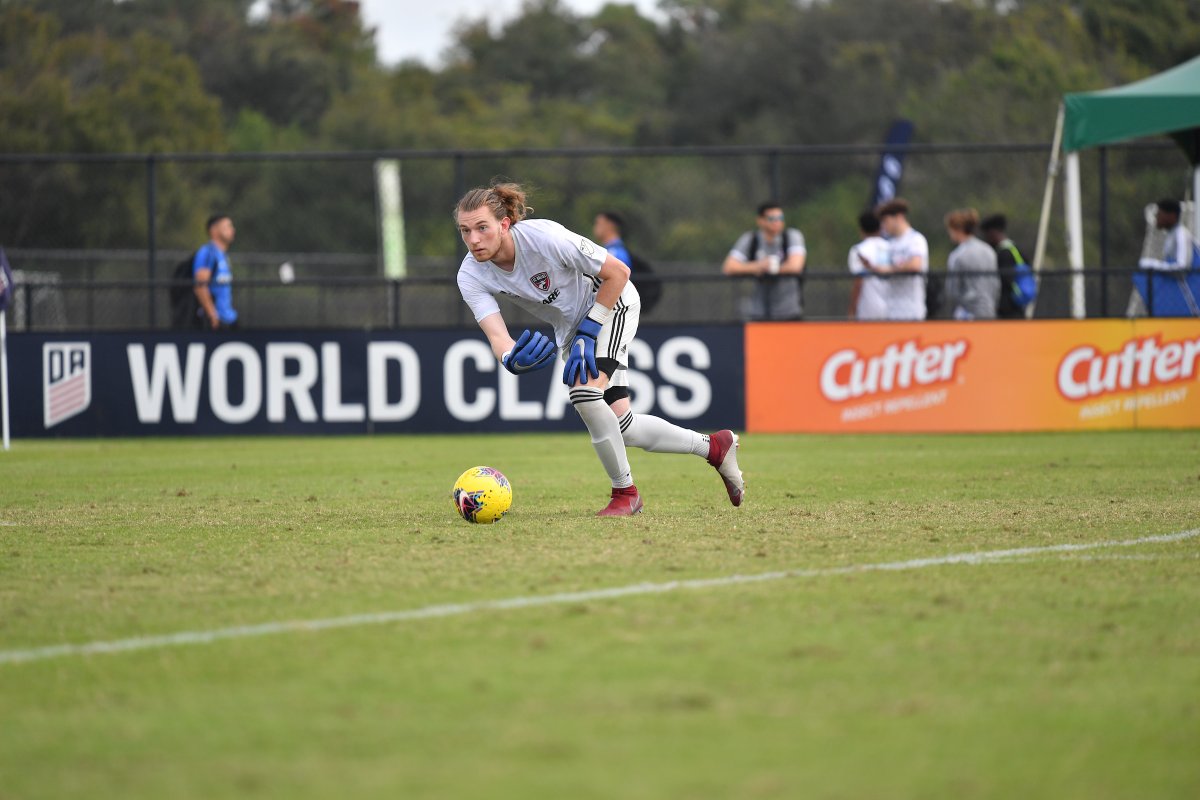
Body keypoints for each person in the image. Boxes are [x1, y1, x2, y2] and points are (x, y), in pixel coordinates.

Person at [455, 182, 744, 517]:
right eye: (465, 230)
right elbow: (497, 336)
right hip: (571, 329)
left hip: (612, 305)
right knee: (624, 426)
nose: (474, 239)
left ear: (504, 224)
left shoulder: (544, 238)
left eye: (482, 228)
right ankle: (714, 447)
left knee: (582, 392)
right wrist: (509, 358)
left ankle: (625, 494)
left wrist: (590, 330)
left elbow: (618, 273)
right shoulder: (469, 274)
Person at [722, 202, 807, 320]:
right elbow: (729, 267)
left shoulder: (792, 236)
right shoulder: (751, 239)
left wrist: (773, 268)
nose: (777, 222)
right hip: (759, 312)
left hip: (789, 312)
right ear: (760, 221)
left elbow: (796, 266)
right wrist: (758, 266)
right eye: (772, 218)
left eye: (780, 218)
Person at [857, 198, 928, 321]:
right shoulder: (889, 244)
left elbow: (915, 265)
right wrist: (873, 268)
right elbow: (884, 271)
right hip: (891, 310)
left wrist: (890, 269)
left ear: (899, 217)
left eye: (886, 221)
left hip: (911, 310)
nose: (884, 226)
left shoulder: (915, 239)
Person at [594, 210, 661, 314]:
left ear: (609, 225)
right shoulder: (612, 251)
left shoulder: (615, 253)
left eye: (598, 223)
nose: (595, 227)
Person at [942, 209, 999, 320]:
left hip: (968, 313)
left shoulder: (958, 255)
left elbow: (953, 290)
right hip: (989, 310)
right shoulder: (989, 251)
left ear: (957, 230)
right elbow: (996, 284)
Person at [193, 214, 238, 330]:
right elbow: (200, 286)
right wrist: (212, 315)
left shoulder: (223, 256)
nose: (232, 230)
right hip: (216, 322)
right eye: (227, 226)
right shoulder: (208, 253)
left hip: (229, 317)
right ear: (214, 230)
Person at [980, 213, 1028, 319]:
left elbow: (1003, 280)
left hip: (1007, 308)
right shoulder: (1015, 248)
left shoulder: (1003, 253)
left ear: (993, 233)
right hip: (1018, 303)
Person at [847, 210, 890, 320]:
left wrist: (852, 310)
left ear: (861, 230)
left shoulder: (858, 250)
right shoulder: (891, 248)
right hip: (892, 308)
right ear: (880, 228)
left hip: (868, 310)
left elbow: (858, 282)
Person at [1139, 199, 1196, 272]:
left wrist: (1156, 265)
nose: (1156, 217)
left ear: (1171, 216)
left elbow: (1182, 266)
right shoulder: (1171, 234)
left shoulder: (1181, 233)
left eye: (1159, 214)